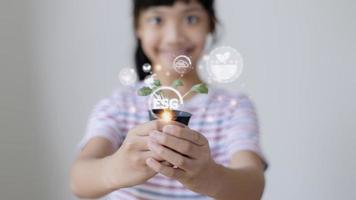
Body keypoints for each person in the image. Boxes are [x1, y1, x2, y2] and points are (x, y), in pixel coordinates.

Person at [70, 0, 267, 199]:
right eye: (157, 19)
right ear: (138, 27)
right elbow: (79, 180)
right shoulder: (118, 105)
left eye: (191, 18)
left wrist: (208, 176)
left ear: (211, 24)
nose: (174, 37)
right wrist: (116, 168)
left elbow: (252, 187)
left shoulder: (233, 108)